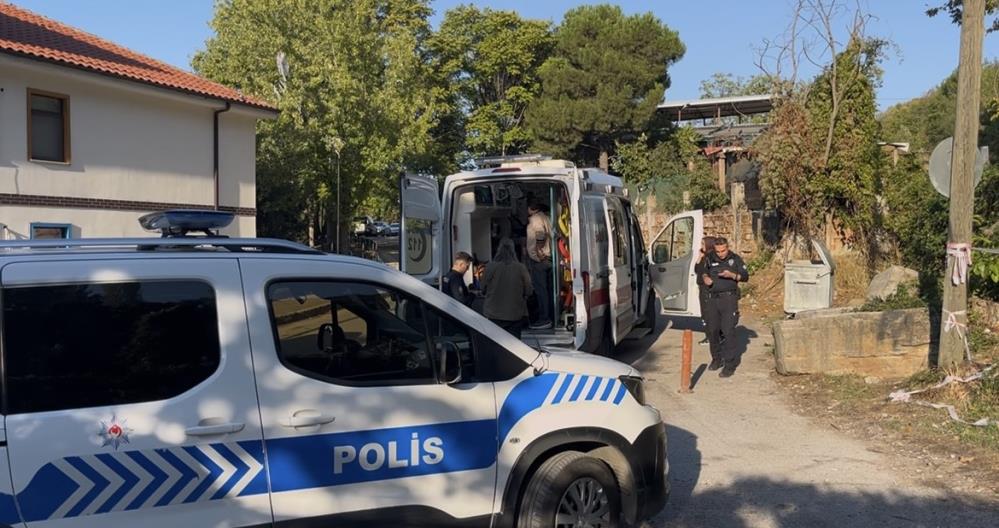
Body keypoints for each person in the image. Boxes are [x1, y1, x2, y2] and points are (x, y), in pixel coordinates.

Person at [701, 237, 750, 378]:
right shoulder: (709, 257)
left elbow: (745, 276)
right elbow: (703, 271)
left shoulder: (735, 259)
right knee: (712, 331)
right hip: (712, 299)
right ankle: (716, 359)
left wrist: (732, 275)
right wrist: (705, 278)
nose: (721, 254)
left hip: (728, 299)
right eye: (718, 251)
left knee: (728, 331)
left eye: (723, 251)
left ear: (727, 247)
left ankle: (729, 365)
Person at [482, 238, 533, 339]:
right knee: (514, 343)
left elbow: (483, 288)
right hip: (515, 314)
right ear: (513, 250)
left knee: (496, 342)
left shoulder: (490, 267)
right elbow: (529, 290)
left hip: (493, 314)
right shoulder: (521, 268)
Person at [526, 202, 553, 329]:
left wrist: (538, 251)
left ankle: (544, 318)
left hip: (540, 261)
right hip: (548, 259)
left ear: (532, 208)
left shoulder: (535, 218)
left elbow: (540, 234)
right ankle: (550, 316)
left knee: (541, 291)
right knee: (548, 290)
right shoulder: (546, 217)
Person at [695, 236, 717, 347]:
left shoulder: (711, 258)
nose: (701, 246)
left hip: (707, 289)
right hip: (702, 288)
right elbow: (696, 269)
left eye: (703, 244)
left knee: (708, 314)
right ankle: (709, 335)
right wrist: (699, 257)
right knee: (704, 313)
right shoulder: (704, 257)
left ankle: (712, 337)